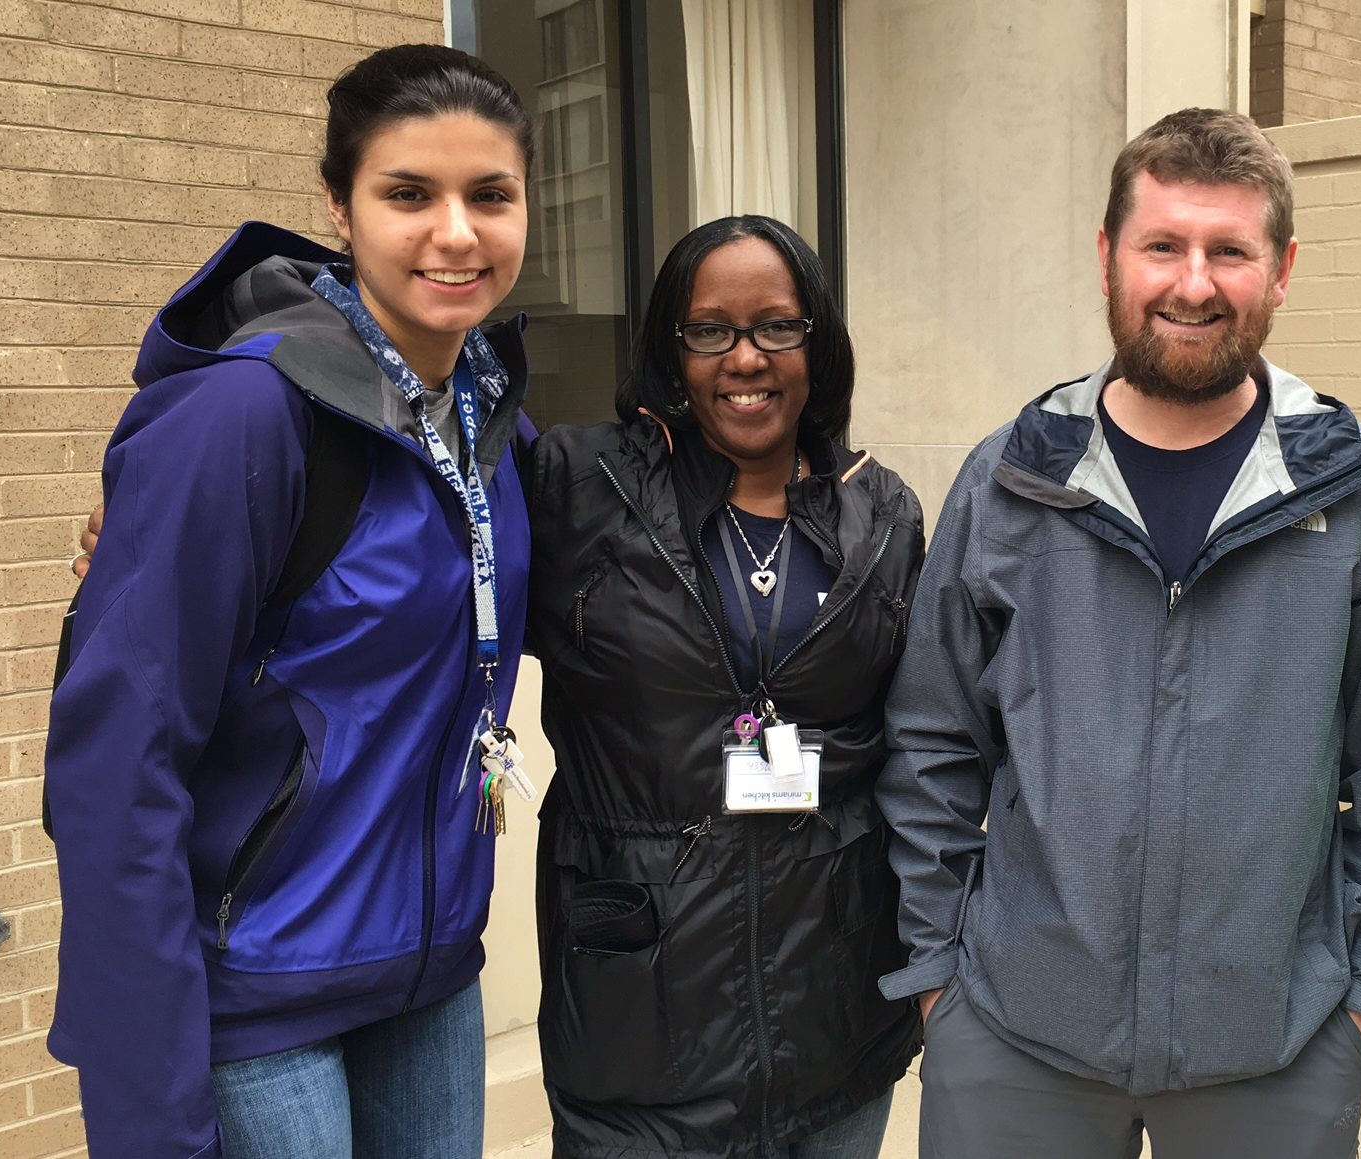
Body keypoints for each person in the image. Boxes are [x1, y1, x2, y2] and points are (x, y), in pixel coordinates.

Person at [874, 107, 1361, 1158]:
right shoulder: (1012, 481)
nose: (1194, 283)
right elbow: (931, 741)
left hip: (1277, 1045)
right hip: (1016, 1038)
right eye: (1163, 246)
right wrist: (937, 976)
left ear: (1281, 270)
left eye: (1229, 250)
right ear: (1107, 258)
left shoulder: (1360, 488)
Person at [45, 45, 536, 1157]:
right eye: (408, 193)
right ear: (338, 204)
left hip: (430, 979)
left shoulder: (487, 418)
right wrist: (152, 1121)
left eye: (490, 195)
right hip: (260, 1002)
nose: (455, 233)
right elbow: (116, 771)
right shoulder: (243, 418)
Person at [522, 214, 924, 1157]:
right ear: (673, 348)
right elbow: (408, 534)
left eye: (778, 327)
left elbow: (926, 735)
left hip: (835, 1016)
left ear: (817, 343)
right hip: (641, 1027)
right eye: (711, 330)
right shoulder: (577, 490)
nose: (746, 358)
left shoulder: (883, 515)